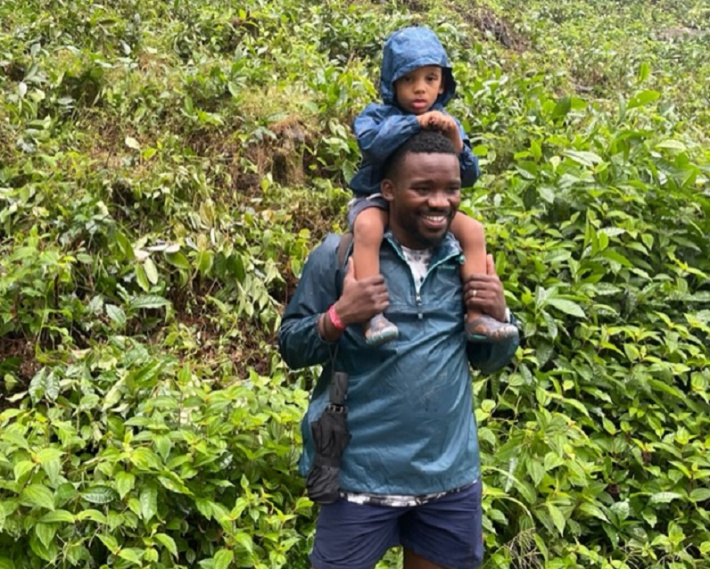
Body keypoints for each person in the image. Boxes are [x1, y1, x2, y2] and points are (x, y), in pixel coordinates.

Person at [279, 131, 519, 569]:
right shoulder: (341, 254)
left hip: (450, 483)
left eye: (451, 190)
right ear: (388, 190)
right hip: (358, 481)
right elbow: (291, 346)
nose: (440, 202)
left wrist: (500, 318)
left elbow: (488, 360)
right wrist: (339, 316)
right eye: (423, 189)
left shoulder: (465, 258)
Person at [348, 26, 518, 347]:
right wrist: (414, 124)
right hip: (376, 199)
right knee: (368, 228)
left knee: (473, 231)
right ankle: (372, 314)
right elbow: (371, 144)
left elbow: (467, 176)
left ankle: (478, 314)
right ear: (392, 83)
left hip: (429, 205)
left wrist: (456, 142)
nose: (420, 89)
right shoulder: (377, 116)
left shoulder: (446, 120)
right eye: (408, 79)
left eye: (430, 78)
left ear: (442, 83)